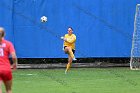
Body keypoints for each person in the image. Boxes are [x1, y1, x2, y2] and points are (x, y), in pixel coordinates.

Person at [0, 27, 18, 93]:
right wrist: (15, 64)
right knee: (9, 90)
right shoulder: (8, 44)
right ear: (4, 34)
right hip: (6, 69)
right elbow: (13, 56)